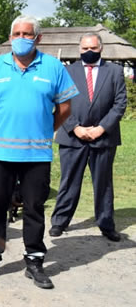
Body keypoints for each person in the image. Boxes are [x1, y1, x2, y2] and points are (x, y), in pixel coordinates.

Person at [0, 15, 78, 289]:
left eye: (27, 34)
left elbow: (65, 108)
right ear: (9, 38)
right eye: (16, 33)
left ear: (38, 38)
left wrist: (45, 131)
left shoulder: (53, 67)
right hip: (0, 153)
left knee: (34, 208)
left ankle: (34, 261)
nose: (21, 38)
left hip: (36, 155)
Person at [50, 33, 127, 242]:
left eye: (93, 48)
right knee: (69, 181)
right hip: (72, 137)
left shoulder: (115, 71)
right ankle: (59, 222)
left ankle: (106, 223)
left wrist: (101, 128)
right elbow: (59, 102)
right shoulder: (67, 71)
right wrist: (75, 127)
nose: (89, 52)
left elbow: (120, 104)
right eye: (85, 48)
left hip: (103, 137)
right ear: (79, 49)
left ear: (101, 48)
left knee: (103, 183)